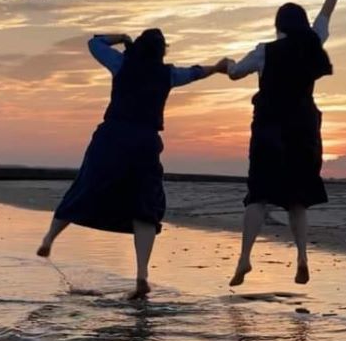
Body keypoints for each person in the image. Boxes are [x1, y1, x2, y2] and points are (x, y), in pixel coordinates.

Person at [37, 28, 231, 299]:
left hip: (113, 136)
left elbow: (94, 43)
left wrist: (121, 38)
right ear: (162, 52)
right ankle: (141, 275)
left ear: (137, 47)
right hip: (144, 141)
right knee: (145, 207)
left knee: (85, 186)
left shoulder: (122, 64)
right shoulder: (167, 74)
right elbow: (196, 72)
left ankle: (49, 239)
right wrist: (218, 67)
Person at [226, 0, 346, 286]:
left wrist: (226, 65)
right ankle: (301, 256)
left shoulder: (264, 51)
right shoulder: (313, 43)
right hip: (304, 128)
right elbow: (327, 13)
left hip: (269, 128)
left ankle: (244, 259)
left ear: (278, 25)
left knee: (258, 195)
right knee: (298, 198)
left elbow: (235, 73)